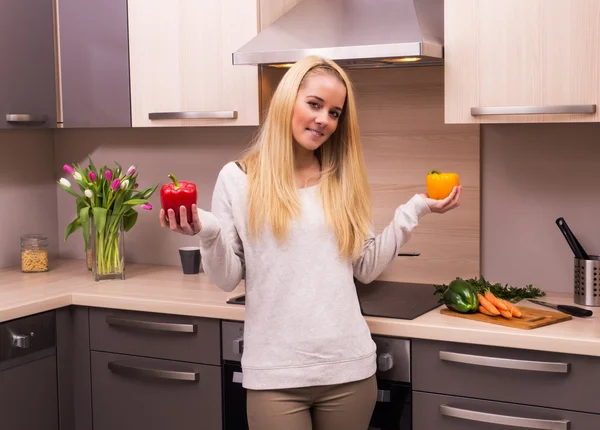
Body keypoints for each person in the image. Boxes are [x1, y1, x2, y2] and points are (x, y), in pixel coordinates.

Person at [160, 55, 462, 430]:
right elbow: (227, 278)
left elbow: (365, 268)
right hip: (275, 373)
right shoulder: (238, 179)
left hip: (349, 368)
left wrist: (415, 209)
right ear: (289, 100)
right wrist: (208, 233)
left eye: (335, 113)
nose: (324, 119)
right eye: (315, 104)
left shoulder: (342, 179)